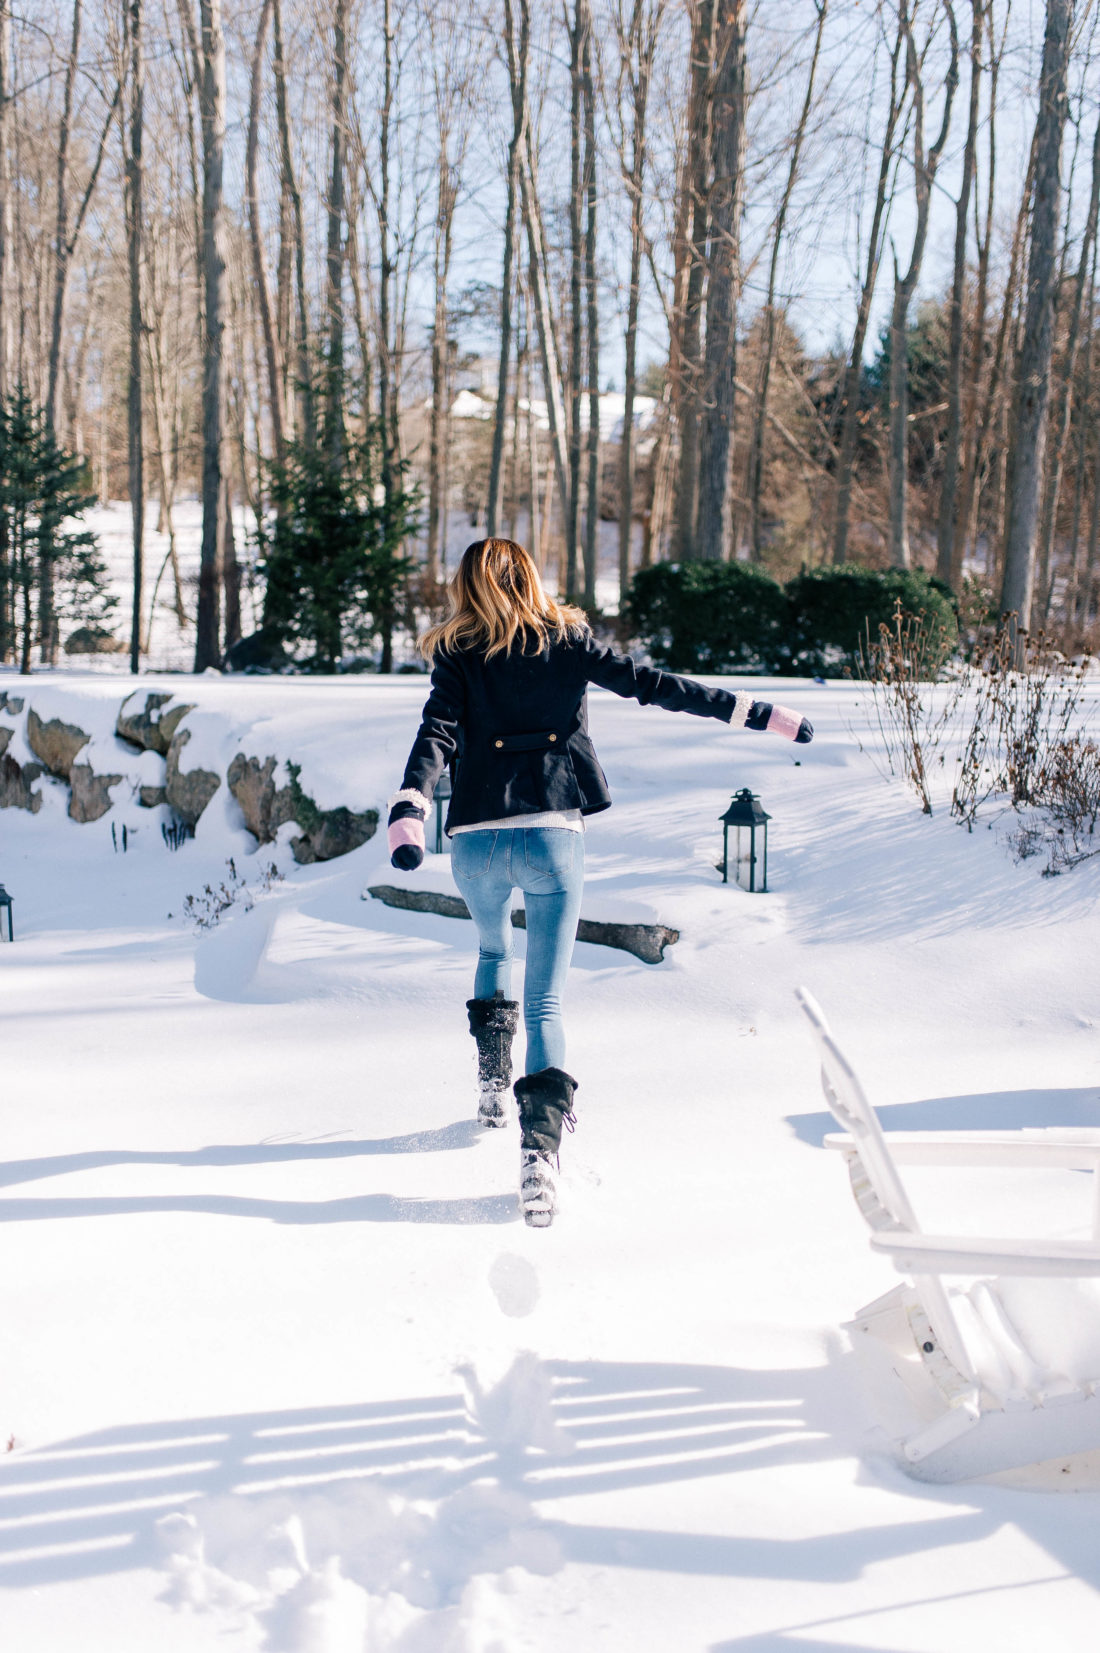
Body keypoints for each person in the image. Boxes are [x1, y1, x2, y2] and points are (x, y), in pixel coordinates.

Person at [388, 538, 812, 1227]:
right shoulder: (568, 642)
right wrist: (752, 711)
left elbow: (434, 733)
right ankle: (539, 1153)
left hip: (475, 842)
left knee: (494, 951)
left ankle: (494, 1085)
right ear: (530, 577)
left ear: (466, 586)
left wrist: (411, 806)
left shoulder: (458, 654)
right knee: (546, 1000)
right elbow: (657, 687)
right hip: (553, 835)